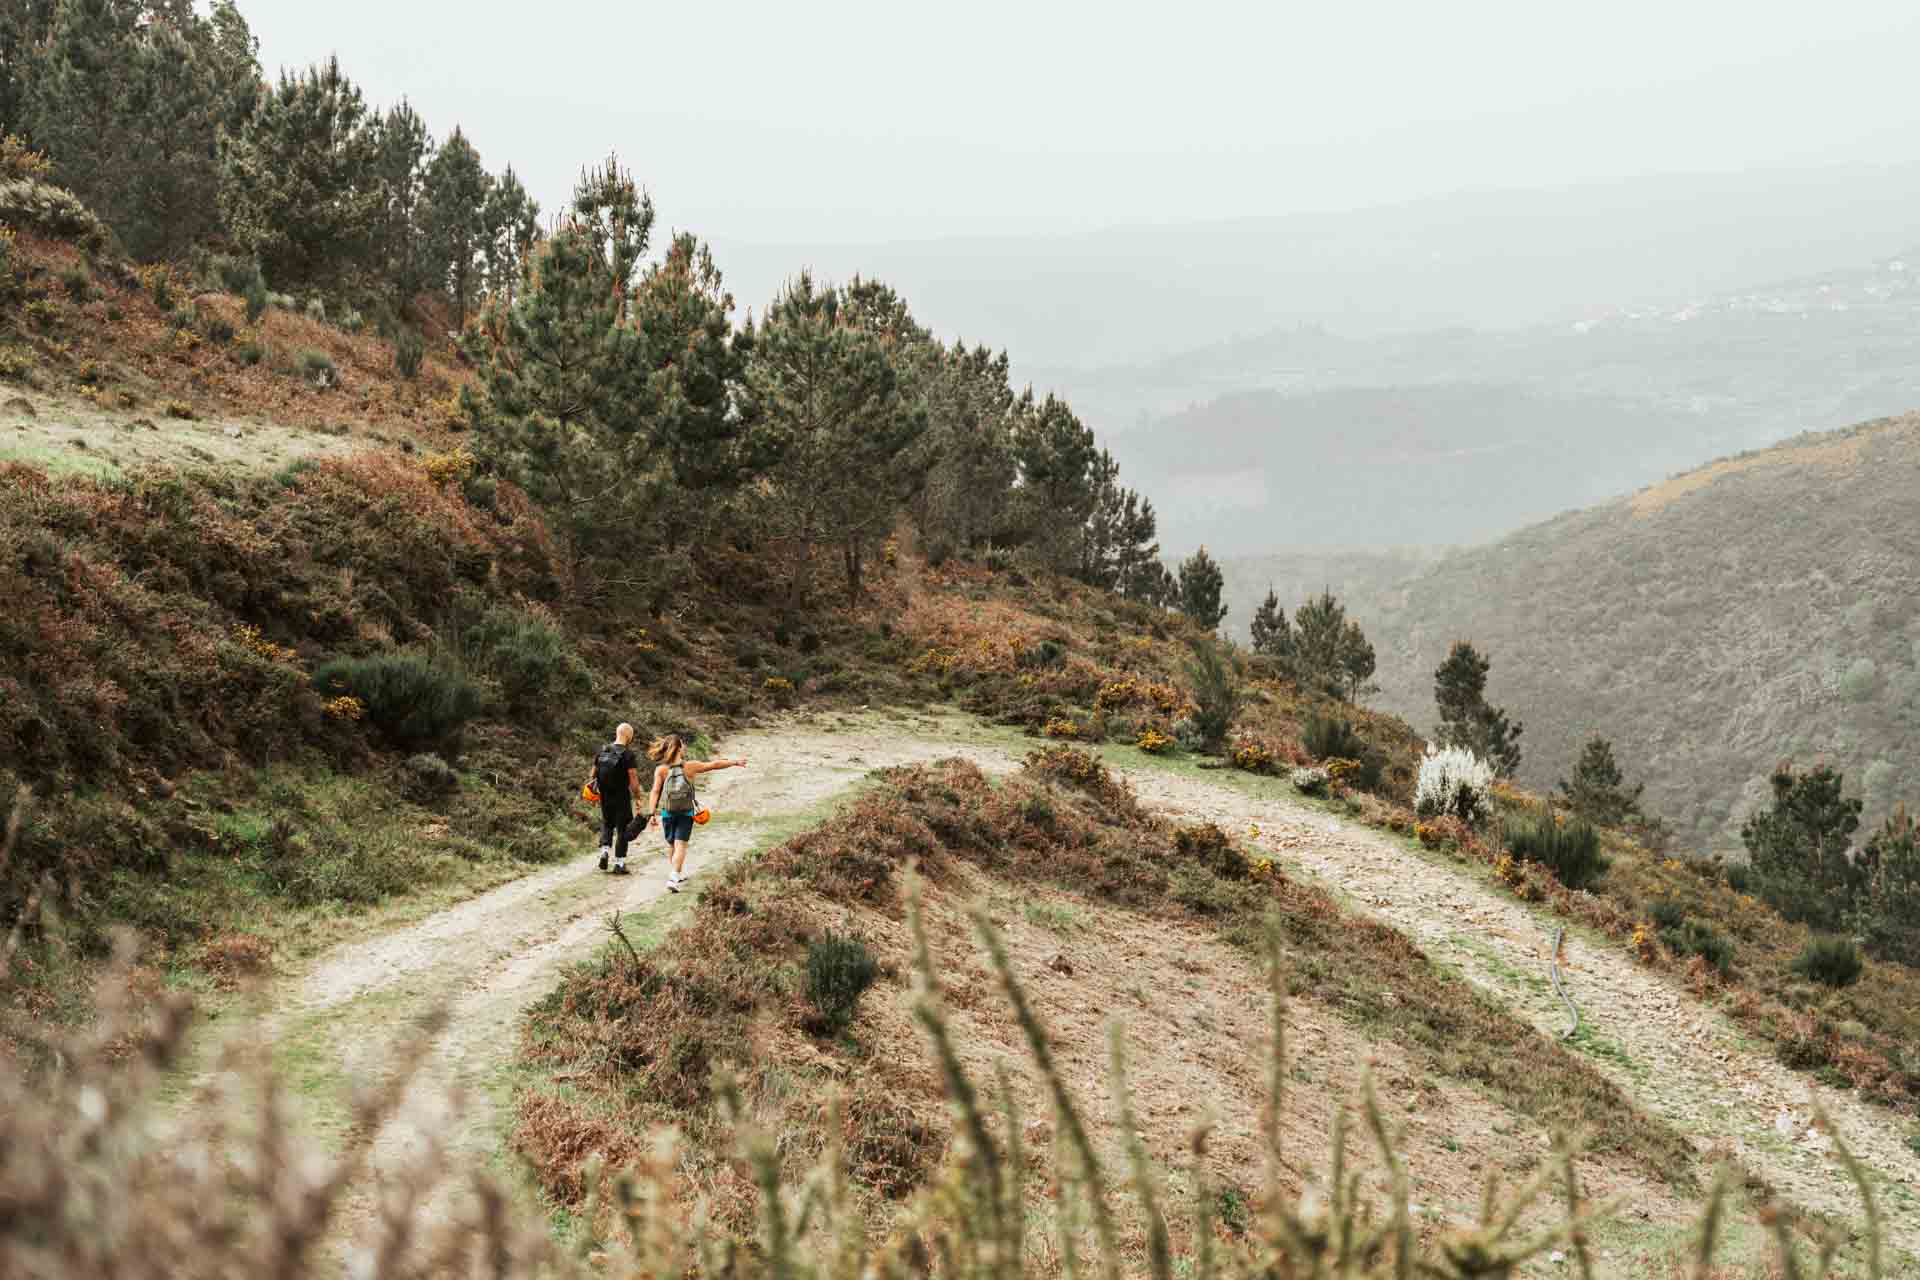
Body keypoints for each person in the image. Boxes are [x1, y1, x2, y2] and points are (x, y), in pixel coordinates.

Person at [644, 734, 746, 891]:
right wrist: (734, 762)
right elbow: (714, 764)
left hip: (667, 813)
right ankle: (674, 877)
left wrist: (651, 814)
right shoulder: (690, 766)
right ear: (680, 749)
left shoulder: (661, 770)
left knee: (672, 844)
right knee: (681, 845)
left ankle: (675, 872)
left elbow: (655, 791)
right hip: (686, 812)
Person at [585, 723, 645, 875]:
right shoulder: (628, 755)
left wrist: (594, 793)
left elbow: (592, 774)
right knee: (623, 828)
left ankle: (604, 851)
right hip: (621, 796)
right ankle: (619, 864)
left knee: (607, 823)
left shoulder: (603, 750)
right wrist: (638, 797)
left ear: (617, 733)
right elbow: (633, 779)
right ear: (628, 736)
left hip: (605, 795)